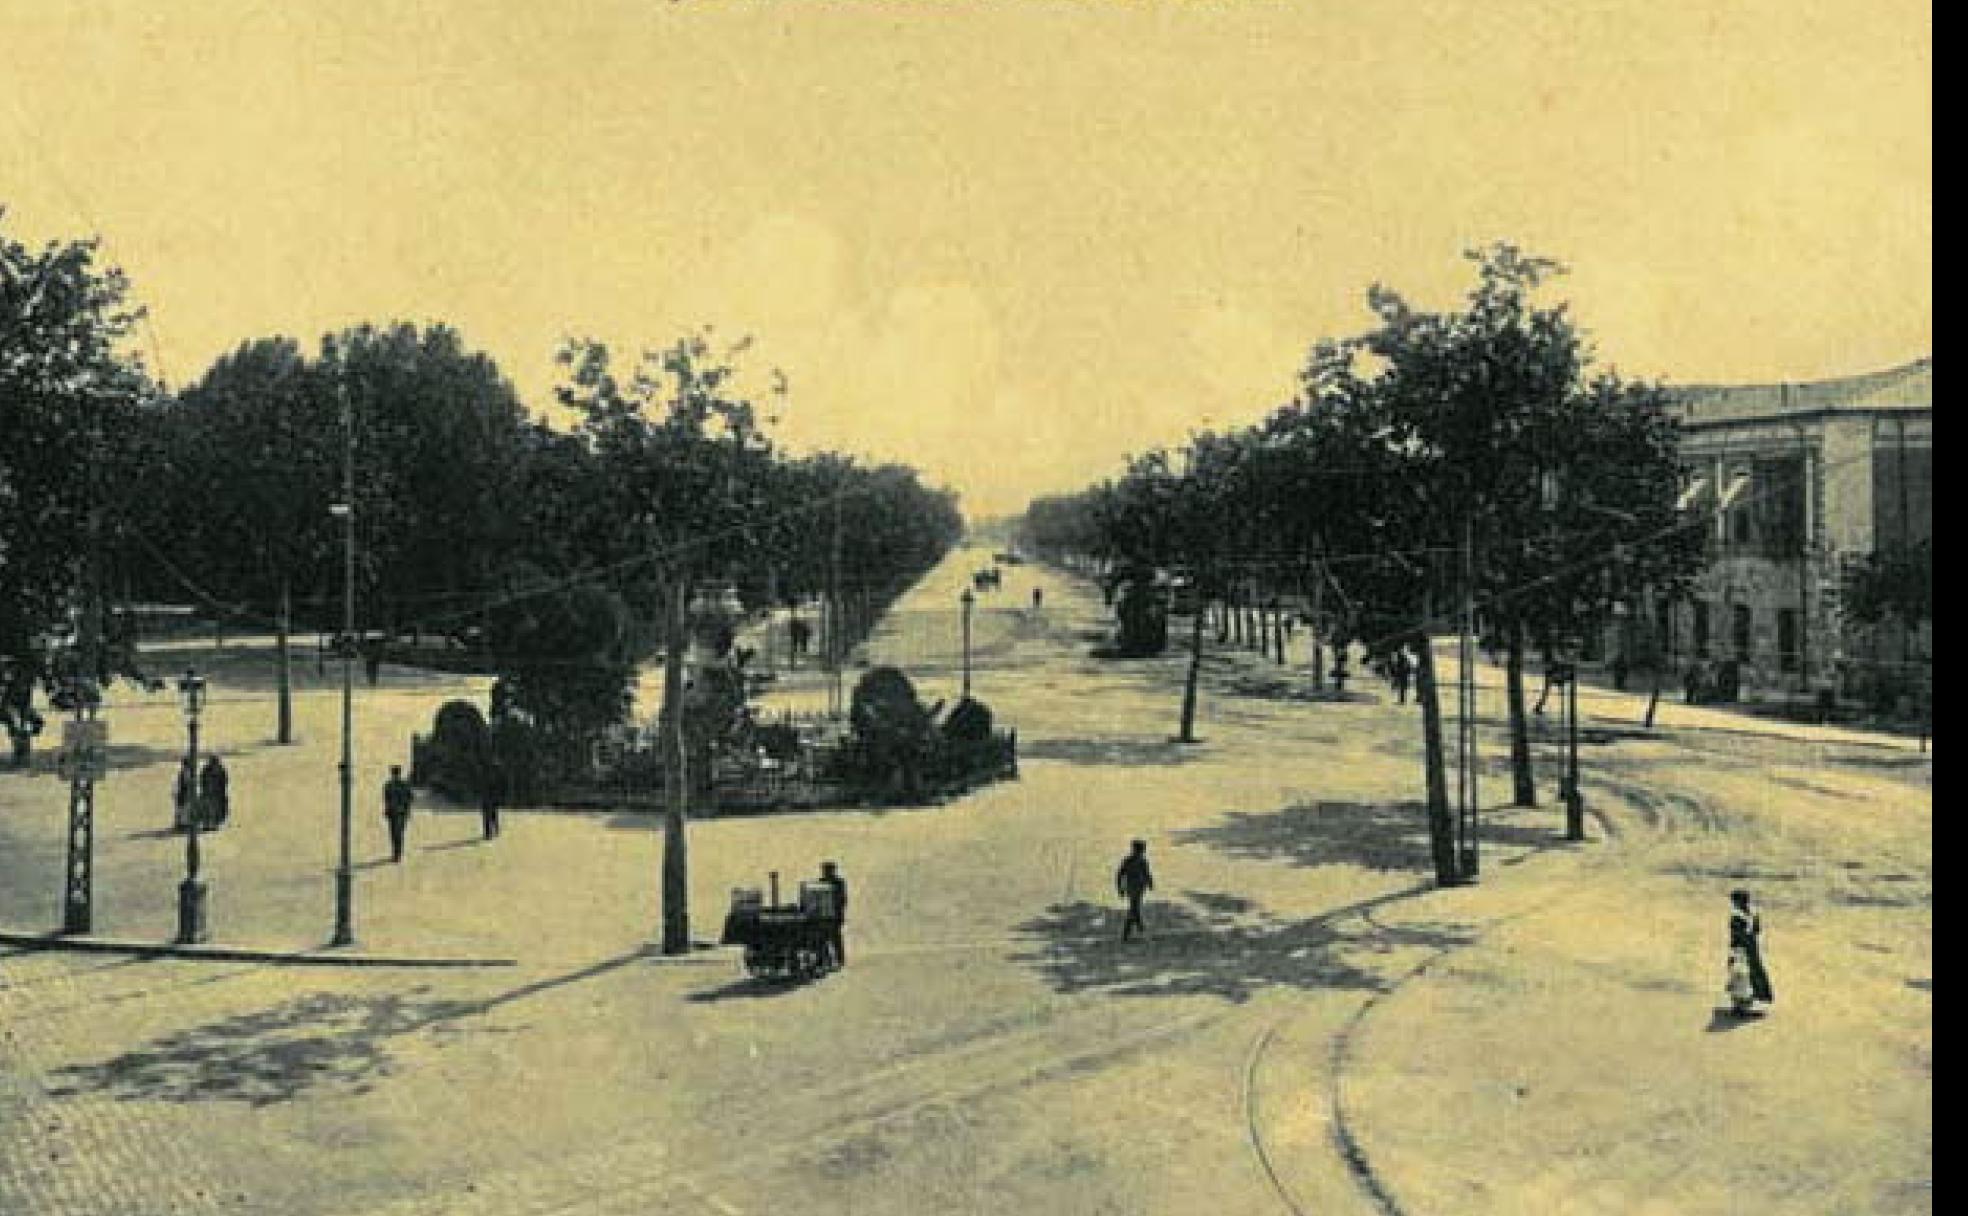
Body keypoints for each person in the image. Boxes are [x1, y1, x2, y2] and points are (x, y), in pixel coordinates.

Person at [1725, 889, 1775, 1015]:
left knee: (1741, 976)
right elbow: (1757, 930)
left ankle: (1739, 1008)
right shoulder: (1753, 914)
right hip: (1751, 948)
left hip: (1741, 949)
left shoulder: (1736, 916)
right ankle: (1743, 1006)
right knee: (1749, 975)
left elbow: (1737, 934)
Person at [1116, 839, 1154, 941]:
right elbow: (1120, 874)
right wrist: (1120, 888)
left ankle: (1134, 930)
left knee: (1134, 908)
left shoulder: (1141, 861)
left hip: (1139, 888)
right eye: (1141, 849)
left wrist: (1150, 882)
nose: (1142, 851)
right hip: (1133, 888)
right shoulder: (1130, 861)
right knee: (1134, 908)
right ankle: (1134, 931)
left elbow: (1147, 873)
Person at [817, 860, 848, 968]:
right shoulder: (821, 883)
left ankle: (839, 959)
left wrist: (839, 913)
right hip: (824, 916)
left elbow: (842, 899)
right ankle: (826, 960)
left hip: (834, 915)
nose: (825, 872)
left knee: (835, 938)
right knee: (823, 939)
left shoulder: (838, 883)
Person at [382, 765, 415, 862]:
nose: (394, 776)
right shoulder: (400, 785)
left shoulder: (390, 785)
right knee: (395, 833)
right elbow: (410, 798)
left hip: (398, 813)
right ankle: (396, 854)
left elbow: (409, 798)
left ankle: (397, 854)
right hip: (397, 813)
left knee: (396, 833)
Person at [198, 755, 230, 828]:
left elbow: (224, 781)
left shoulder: (220, 770)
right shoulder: (207, 769)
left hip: (216, 793)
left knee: (215, 809)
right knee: (207, 809)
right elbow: (202, 780)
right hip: (209, 793)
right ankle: (207, 824)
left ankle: (213, 824)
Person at [478, 761, 503, 841]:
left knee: (489, 816)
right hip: (490, 799)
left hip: (489, 799)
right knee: (492, 815)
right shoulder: (496, 777)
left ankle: (489, 833)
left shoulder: (486, 776)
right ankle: (491, 832)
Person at [173, 756, 198, 830]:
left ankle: (182, 824)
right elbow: (185, 783)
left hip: (184, 793)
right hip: (184, 793)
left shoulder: (185, 772)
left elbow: (184, 783)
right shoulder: (186, 772)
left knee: (183, 809)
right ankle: (182, 824)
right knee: (183, 809)